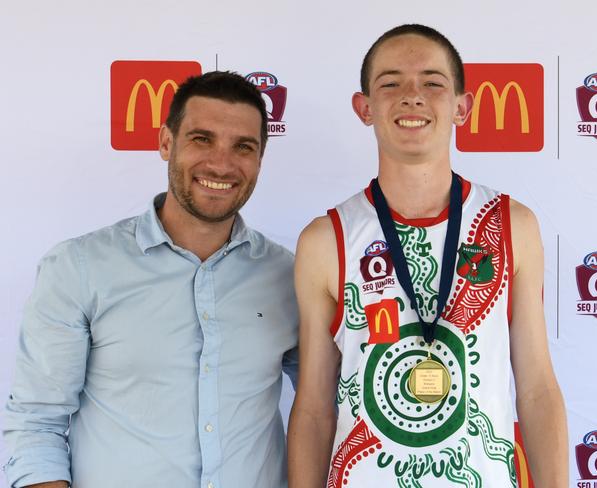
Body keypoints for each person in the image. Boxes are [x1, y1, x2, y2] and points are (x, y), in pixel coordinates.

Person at [287, 24, 568, 487]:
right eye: (391, 83)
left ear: (461, 107)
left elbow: (537, 389)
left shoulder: (512, 225)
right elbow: (315, 406)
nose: (412, 96)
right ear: (365, 108)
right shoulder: (326, 239)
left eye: (433, 83)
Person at [3, 71, 298, 488]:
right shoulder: (80, 267)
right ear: (165, 143)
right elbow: (36, 423)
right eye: (202, 139)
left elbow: (329, 403)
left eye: (243, 147)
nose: (221, 163)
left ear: (260, 160)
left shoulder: (289, 276)